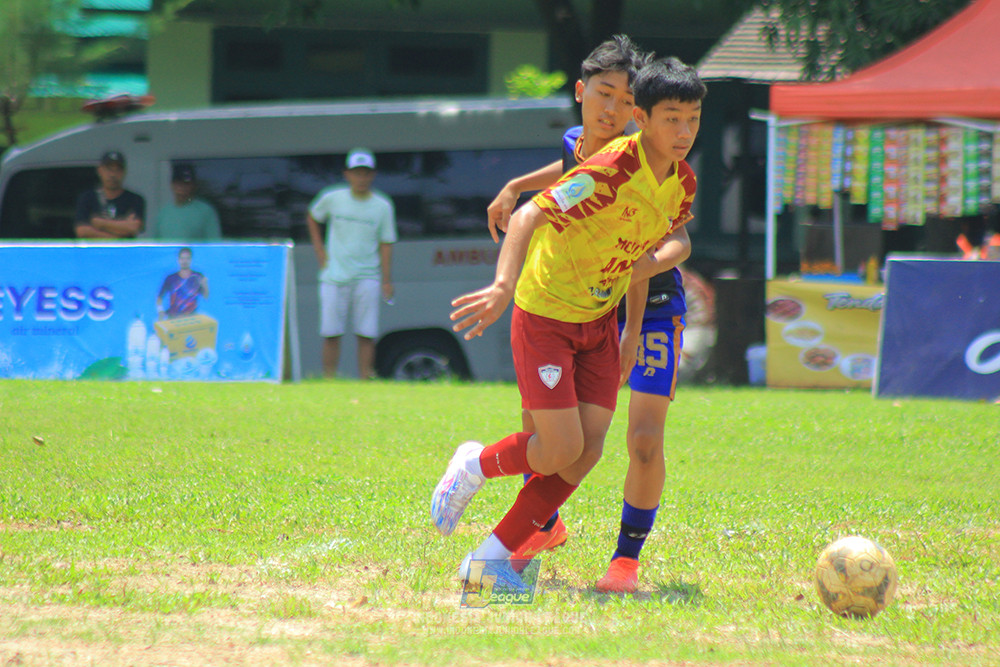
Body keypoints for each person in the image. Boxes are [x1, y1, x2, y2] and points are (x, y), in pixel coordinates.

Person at [430, 57, 706, 591]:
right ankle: (475, 465)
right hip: (548, 314)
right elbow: (532, 215)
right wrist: (502, 287)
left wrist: (630, 328)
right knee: (555, 448)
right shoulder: (611, 168)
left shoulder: (682, 182)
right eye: (672, 118)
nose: (684, 132)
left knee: (586, 453)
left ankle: (488, 563)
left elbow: (644, 249)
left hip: (599, 321)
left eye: (693, 119)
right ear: (643, 119)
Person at [306, 148, 397, 379]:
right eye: (357, 173)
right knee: (331, 333)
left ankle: (364, 379)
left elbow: (386, 243)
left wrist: (386, 280)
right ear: (347, 174)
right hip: (333, 276)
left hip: (368, 277)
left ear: (373, 175)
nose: (361, 178)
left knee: (366, 334)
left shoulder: (382, 206)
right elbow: (313, 216)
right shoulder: (332, 198)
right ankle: (329, 379)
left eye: (366, 173)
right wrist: (320, 251)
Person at [74, 150, 145, 239]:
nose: (112, 175)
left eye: (117, 170)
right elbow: (82, 231)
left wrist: (100, 223)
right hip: (96, 252)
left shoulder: (135, 199)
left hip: (124, 252)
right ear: (100, 171)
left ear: (124, 172)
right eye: (109, 169)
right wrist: (117, 236)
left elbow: (134, 227)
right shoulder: (87, 198)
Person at [154, 164, 222, 241]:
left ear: (193, 185)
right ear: (172, 184)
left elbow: (214, 244)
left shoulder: (205, 211)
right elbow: (156, 244)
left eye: (186, 183)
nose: (181, 186)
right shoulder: (164, 212)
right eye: (178, 182)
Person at [156, 247, 209, 319]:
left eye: (187, 258)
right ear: (178, 260)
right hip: (173, 318)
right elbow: (159, 298)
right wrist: (160, 311)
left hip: (191, 318)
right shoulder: (170, 278)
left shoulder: (197, 277)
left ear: (191, 259)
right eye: (182, 258)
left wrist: (205, 285)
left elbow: (206, 297)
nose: (185, 261)